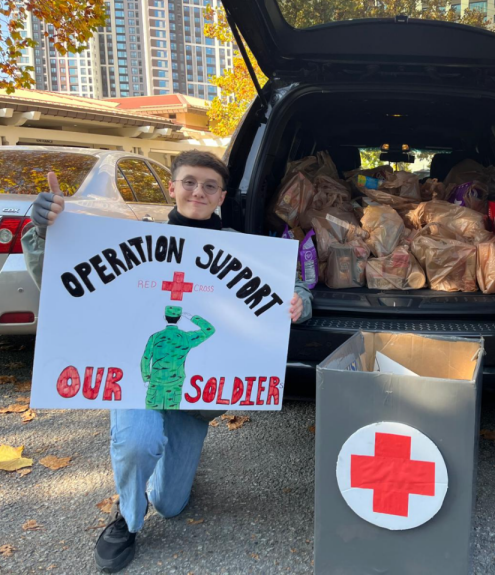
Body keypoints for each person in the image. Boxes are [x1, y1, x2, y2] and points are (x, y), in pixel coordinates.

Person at [22, 150, 313, 572]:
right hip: (137, 385)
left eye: (210, 185)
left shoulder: (246, 247)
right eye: (189, 182)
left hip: (193, 398)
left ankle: (161, 474)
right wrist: (44, 231)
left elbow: (292, 288)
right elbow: (66, 282)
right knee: (137, 442)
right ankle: (126, 516)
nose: (198, 191)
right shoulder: (132, 236)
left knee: (171, 504)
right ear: (172, 187)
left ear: (222, 196)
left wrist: (299, 301)